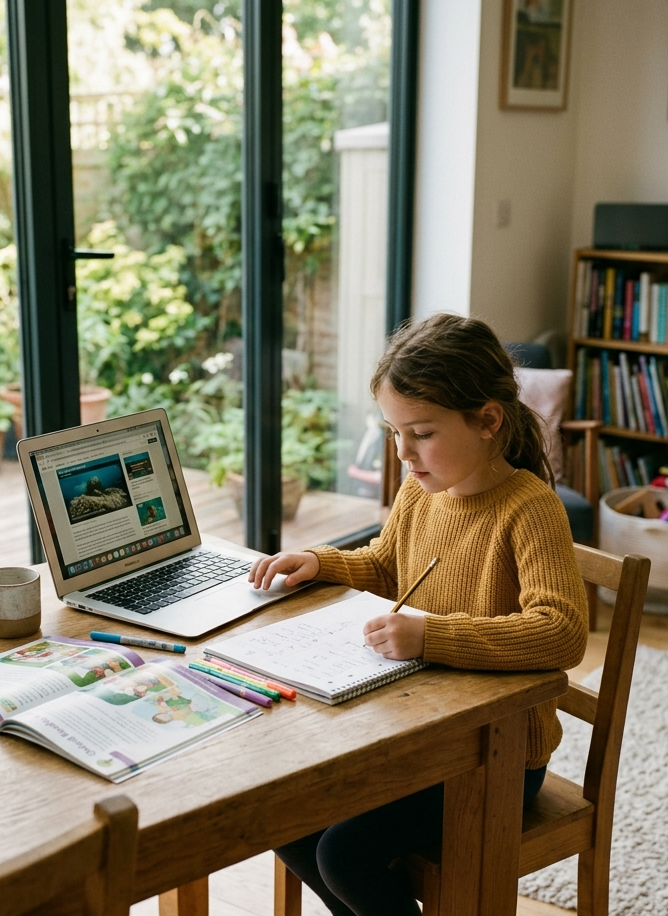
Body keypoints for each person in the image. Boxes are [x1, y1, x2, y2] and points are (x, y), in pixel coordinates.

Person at [249, 314, 589, 916]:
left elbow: (561, 632)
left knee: (343, 854)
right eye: (393, 432)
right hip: (416, 733)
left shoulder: (530, 508)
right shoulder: (421, 490)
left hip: (498, 756)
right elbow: (386, 566)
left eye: (422, 433)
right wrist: (320, 563)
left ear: (487, 421)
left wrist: (431, 635)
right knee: (280, 814)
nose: (404, 453)